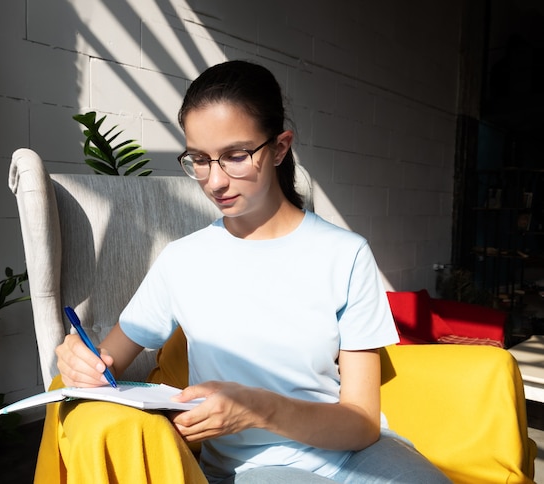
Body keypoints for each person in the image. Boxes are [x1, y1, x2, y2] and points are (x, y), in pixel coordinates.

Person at [54, 60, 450, 483]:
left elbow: (361, 423)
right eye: (200, 159)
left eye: (235, 156)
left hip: (357, 454)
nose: (215, 181)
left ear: (280, 148)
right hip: (257, 469)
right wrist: (81, 361)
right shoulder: (183, 261)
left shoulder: (346, 255)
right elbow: (106, 362)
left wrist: (257, 407)